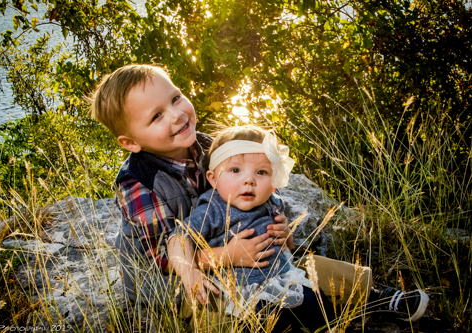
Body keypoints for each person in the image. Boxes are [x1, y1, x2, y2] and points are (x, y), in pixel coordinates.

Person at [89, 64, 429, 324]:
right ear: (131, 142)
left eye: (176, 97)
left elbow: (254, 190)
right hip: (170, 273)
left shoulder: (210, 147)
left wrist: (276, 227)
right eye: (157, 116)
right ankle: (304, 314)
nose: (178, 114)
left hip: (230, 245)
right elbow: (160, 254)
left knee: (288, 265)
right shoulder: (137, 183)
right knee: (228, 302)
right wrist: (225, 257)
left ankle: (371, 295)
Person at [168, 126, 335, 332]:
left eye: (261, 172)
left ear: (273, 181)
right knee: (264, 324)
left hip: (281, 278)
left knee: (322, 309)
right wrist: (189, 272)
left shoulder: (271, 202)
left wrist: (286, 235)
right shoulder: (214, 209)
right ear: (213, 178)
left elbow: (287, 247)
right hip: (241, 290)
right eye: (235, 170)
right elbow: (178, 236)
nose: (249, 180)